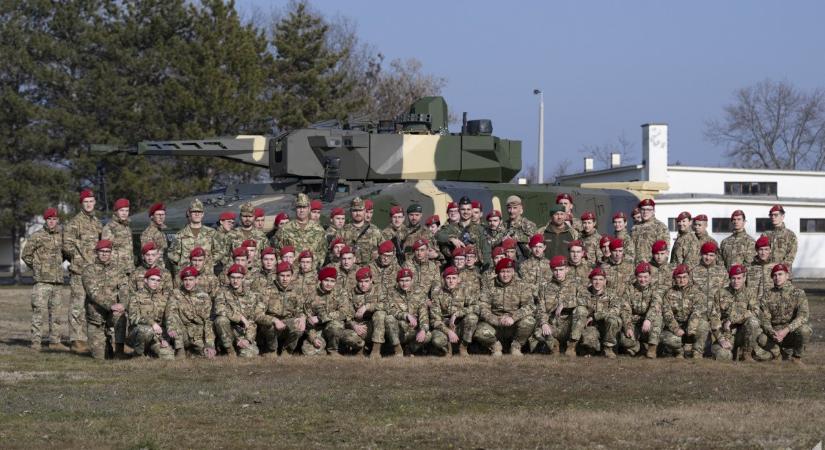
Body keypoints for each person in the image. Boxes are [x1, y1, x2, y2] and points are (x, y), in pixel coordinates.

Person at [21, 208, 67, 351]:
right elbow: (26, 255)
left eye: (54, 219)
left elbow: (64, 253)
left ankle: (55, 341)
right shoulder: (37, 236)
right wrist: (38, 266)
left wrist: (58, 264)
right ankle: (36, 343)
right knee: (38, 313)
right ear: (45, 220)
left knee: (56, 314)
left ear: (57, 220)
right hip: (42, 282)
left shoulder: (62, 236)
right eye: (49, 219)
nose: (52, 222)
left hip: (58, 281)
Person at [63, 189, 102, 353]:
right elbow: (67, 246)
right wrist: (81, 258)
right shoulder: (74, 223)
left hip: (94, 272)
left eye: (91, 201)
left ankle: (92, 339)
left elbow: (103, 245)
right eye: (86, 201)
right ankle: (76, 340)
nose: (89, 204)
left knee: (93, 306)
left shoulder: (97, 223)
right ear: (82, 203)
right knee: (77, 306)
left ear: (94, 203)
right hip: (79, 271)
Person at [475, 258, 536, 356]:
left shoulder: (522, 285)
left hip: (513, 324)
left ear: (513, 272)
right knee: (478, 330)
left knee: (529, 321)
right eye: (502, 271)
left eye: (508, 271)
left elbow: (529, 306)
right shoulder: (490, 285)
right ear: (498, 272)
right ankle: (495, 347)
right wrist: (496, 320)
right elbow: (482, 307)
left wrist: (513, 317)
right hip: (495, 325)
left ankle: (516, 347)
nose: (505, 275)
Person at [82, 239, 129, 360]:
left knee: (121, 316)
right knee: (100, 356)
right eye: (102, 251)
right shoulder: (88, 270)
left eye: (107, 251)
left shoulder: (118, 270)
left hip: (112, 314)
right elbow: (93, 293)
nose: (104, 254)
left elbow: (124, 288)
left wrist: (123, 305)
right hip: (95, 316)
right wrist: (111, 305)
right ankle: (106, 343)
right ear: (96, 252)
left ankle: (119, 351)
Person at [757, 264, 811, 364]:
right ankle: (778, 354)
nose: (777, 277)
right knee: (761, 338)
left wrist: (786, 330)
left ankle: (796, 358)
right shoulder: (767, 295)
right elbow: (764, 318)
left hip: (790, 332)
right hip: (774, 334)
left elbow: (803, 316)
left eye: (780, 274)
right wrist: (772, 332)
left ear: (787, 275)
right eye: (775, 275)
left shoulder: (798, 293)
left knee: (805, 330)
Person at [709, 265, 761, 361]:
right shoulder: (720, 293)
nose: (736, 281)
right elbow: (714, 317)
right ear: (730, 278)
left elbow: (755, 311)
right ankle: (731, 353)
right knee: (723, 356)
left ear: (744, 278)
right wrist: (721, 339)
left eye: (739, 278)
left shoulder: (750, 293)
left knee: (753, 322)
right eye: (733, 278)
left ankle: (746, 354)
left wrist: (733, 320)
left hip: (743, 333)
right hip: (726, 334)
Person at [531, 256, 582, 355]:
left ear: (567, 269)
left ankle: (571, 347)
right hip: (552, 325)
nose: (558, 273)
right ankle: (554, 345)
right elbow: (540, 308)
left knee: (581, 310)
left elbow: (587, 300)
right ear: (551, 270)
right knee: (537, 333)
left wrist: (566, 304)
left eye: (561, 270)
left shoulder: (576, 284)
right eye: (555, 270)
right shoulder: (544, 286)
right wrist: (544, 323)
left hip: (569, 325)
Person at [567, 267, 622, 358]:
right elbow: (580, 309)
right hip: (591, 327)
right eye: (595, 279)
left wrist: (595, 316)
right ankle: (585, 348)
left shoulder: (612, 294)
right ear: (591, 280)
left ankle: (608, 349)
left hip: (606, 327)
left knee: (613, 319)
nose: (598, 282)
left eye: (601, 279)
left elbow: (615, 309)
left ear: (605, 281)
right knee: (589, 343)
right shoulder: (584, 294)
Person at [310, 264, 364, 356]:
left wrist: (321, 318)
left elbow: (344, 313)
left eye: (332, 281)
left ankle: (333, 350)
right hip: (319, 330)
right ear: (321, 280)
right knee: (308, 351)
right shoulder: (312, 294)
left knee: (357, 341)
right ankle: (327, 347)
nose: (329, 284)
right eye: (326, 280)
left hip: (338, 329)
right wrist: (313, 338)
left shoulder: (341, 293)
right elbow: (308, 319)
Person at [660, 264, 710, 359]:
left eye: (684, 277)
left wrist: (690, 330)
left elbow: (697, 312)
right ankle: (679, 351)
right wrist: (676, 329)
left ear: (688, 277)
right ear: (674, 278)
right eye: (679, 277)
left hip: (691, 325)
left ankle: (697, 352)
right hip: (676, 326)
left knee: (704, 325)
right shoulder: (669, 293)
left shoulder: (696, 292)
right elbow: (667, 314)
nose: (682, 280)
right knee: (664, 337)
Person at [213, 264, 263, 358]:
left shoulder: (251, 296)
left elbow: (252, 321)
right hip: (227, 333)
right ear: (228, 277)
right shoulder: (221, 292)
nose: (235, 281)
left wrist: (247, 339)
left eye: (239, 278)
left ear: (243, 278)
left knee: (249, 355)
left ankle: (240, 347)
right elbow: (219, 309)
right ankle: (229, 351)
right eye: (233, 277)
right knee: (221, 320)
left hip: (242, 333)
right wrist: (239, 317)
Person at [166, 266, 216, 359]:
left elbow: (208, 321)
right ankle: (180, 350)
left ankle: (191, 351)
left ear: (196, 280)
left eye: (191, 279)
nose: (188, 283)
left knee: (206, 355)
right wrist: (171, 327)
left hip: (198, 334)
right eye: (185, 279)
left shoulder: (204, 296)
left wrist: (209, 344)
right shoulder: (175, 294)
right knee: (175, 318)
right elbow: (170, 313)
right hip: (182, 332)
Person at [256, 262, 303, 358]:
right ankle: (271, 350)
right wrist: (274, 320)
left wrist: (302, 318)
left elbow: (300, 310)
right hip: (271, 326)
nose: (285, 279)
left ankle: (288, 351)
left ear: (291, 276)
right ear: (277, 276)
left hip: (287, 323)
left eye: (288, 276)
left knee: (299, 324)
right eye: (282, 275)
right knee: (269, 325)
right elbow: (257, 315)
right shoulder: (267, 291)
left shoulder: (296, 291)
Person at [127, 267, 175, 359]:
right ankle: (138, 355)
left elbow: (167, 320)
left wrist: (164, 339)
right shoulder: (136, 296)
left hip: (156, 336)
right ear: (145, 280)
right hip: (137, 334)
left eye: (158, 280)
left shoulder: (163, 299)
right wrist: (152, 323)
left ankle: (149, 352)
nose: (155, 282)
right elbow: (133, 318)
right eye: (152, 279)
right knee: (145, 330)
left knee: (168, 357)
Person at [429, 266, 478, 356]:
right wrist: (448, 331)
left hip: (459, 324)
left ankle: (463, 347)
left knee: (472, 318)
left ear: (458, 279)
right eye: (448, 278)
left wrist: (457, 314)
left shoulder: (464, 289)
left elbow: (476, 306)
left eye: (454, 278)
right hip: (444, 326)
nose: (451, 281)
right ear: (444, 279)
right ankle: (447, 349)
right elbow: (434, 320)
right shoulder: (437, 292)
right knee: (437, 340)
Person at [617, 262, 663, 358]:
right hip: (635, 323)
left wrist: (648, 319)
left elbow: (656, 305)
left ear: (650, 276)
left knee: (658, 317)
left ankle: (652, 348)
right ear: (636, 277)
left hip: (649, 324)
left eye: (645, 277)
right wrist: (628, 327)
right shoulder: (629, 289)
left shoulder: (655, 289)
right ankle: (640, 348)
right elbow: (625, 310)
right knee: (624, 340)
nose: (643, 280)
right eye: (640, 277)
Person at [386, 268, 431, 356]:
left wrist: (423, 329)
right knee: (389, 318)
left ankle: (409, 350)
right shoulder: (391, 292)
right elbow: (390, 310)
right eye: (401, 280)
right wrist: (406, 315)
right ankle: (397, 349)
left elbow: (423, 314)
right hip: (398, 330)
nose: (404, 283)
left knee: (427, 334)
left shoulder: (419, 293)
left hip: (412, 330)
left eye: (407, 280)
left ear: (412, 280)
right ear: (397, 281)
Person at [437, 197, 490, 267]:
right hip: (455, 270)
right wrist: (451, 239)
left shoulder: (480, 229)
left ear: (471, 211)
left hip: (474, 271)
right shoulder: (451, 227)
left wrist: (485, 270)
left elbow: (486, 253)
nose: (466, 212)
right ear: (459, 210)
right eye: (463, 209)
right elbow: (438, 235)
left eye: (468, 209)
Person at [276, 193, 327, 266]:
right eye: (299, 207)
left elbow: (323, 251)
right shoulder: (285, 229)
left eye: (304, 207)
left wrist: (317, 264)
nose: (302, 210)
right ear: (295, 209)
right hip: (291, 271)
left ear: (309, 209)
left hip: (311, 272)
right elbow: (278, 251)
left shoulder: (318, 229)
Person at [168, 199, 216, 275]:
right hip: (187, 275)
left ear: (203, 214)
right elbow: (172, 254)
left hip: (206, 275)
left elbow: (219, 251)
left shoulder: (212, 233)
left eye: (199, 212)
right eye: (194, 212)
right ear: (189, 213)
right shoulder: (180, 234)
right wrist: (182, 263)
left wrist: (209, 262)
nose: (197, 214)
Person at [350, 267, 390, 358]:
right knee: (349, 335)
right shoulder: (351, 293)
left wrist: (367, 307)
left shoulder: (379, 289)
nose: (363, 284)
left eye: (366, 281)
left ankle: (376, 350)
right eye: (360, 282)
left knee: (380, 314)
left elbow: (387, 305)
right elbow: (346, 312)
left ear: (371, 280)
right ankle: (360, 349)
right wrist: (354, 324)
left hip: (377, 326)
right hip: (361, 326)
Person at [340, 197, 383, 266]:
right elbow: (334, 253)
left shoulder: (374, 230)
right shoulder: (343, 231)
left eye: (360, 210)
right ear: (350, 212)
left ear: (365, 211)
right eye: (355, 211)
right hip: (350, 271)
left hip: (369, 271)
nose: (358, 213)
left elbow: (386, 250)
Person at [630, 198, 670, 263]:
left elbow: (665, 252)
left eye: (649, 209)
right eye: (643, 209)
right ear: (640, 211)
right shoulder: (635, 228)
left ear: (653, 211)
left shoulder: (660, 227)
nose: (645, 212)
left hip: (652, 268)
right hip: (636, 268)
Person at [102, 198, 134, 275]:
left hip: (129, 268)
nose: (124, 213)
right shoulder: (110, 227)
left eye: (126, 211)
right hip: (115, 270)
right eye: (122, 210)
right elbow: (105, 250)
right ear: (116, 212)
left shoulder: (127, 228)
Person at [765, 204, 797, 271]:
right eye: (771, 215)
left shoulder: (790, 235)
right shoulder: (766, 235)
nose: (773, 217)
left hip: (783, 275)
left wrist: (777, 266)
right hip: (768, 275)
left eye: (776, 215)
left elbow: (790, 257)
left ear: (782, 216)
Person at [140, 202, 168, 268]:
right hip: (155, 270)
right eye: (158, 215)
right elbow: (147, 257)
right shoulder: (148, 233)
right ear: (152, 216)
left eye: (163, 214)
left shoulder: (160, 231)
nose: (161, 217)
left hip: (162, 268)